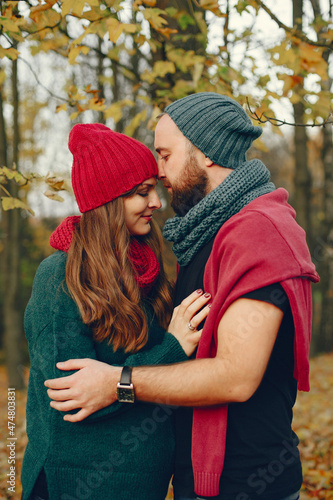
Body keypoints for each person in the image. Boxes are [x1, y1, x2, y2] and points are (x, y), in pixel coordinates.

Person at [45, 93, 320, 500]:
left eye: (165, 154)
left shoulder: (259, 232)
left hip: (246, 483)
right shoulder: (207, 232)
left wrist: (117, 383)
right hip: (199, 482)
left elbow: (236, 377)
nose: (158, 171)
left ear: (205, 153)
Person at [21, 123, 211, 500]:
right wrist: (172, 349)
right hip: (79, 483)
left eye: (154, 188)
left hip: (147, 480)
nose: (156, 202)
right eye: (142, 193)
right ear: (108, 201)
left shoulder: (149, 268)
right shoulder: (60, 276)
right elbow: (72, 398)